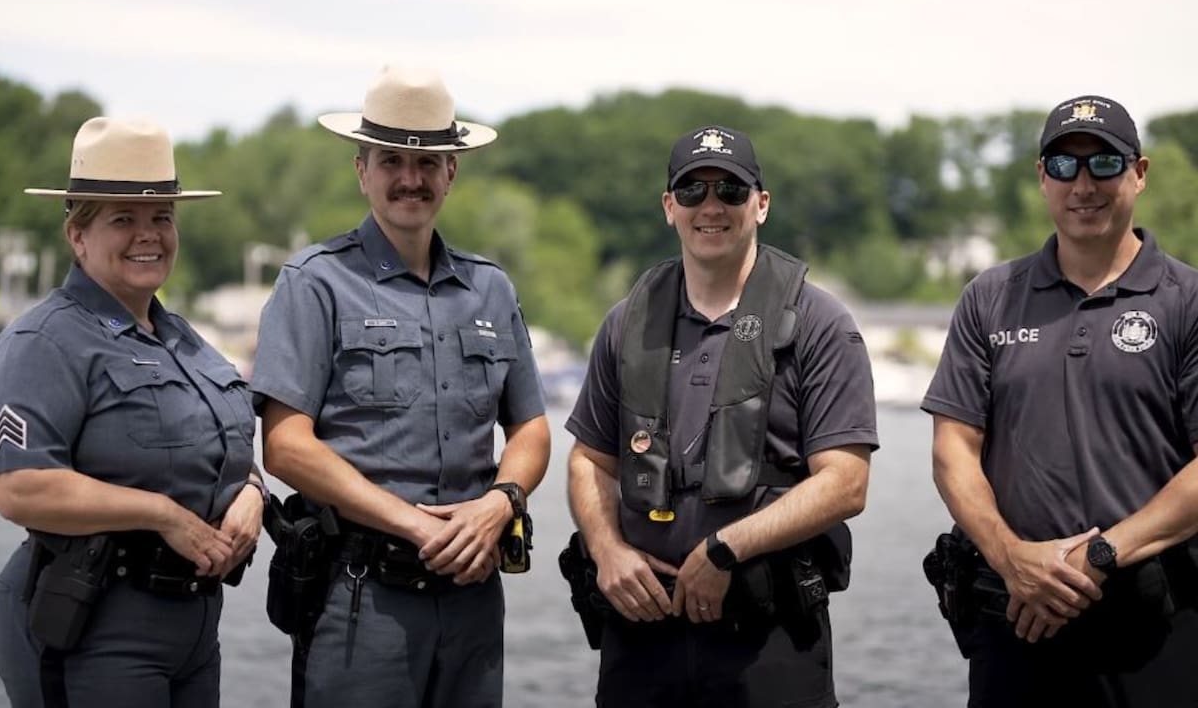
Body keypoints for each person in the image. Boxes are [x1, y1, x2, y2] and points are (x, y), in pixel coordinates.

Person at [251, 64, 550, 708]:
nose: (410, 179)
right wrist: (418, 528)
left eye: (428, 163)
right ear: (362, 169)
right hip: (361, 602)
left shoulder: (491, 289)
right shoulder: (315, 283)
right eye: (391, 161)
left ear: (452, 172)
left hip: (473, 602)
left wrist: (500, 502)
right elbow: (285, 447)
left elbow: (531, 427)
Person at [564, 125, 877, 707]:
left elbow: (846, 484)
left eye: (731, 191)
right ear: (668, 208)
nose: (711, 207)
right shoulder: (625, 323)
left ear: (761, 204)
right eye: (692, 192)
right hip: (642, 630)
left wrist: (724, 550)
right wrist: (607, 551)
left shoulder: (819, 323)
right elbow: (590, 460)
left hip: (768, 635)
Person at [923, 95, 1198, 706]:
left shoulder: (1187, 301)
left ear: (1140, 173)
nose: (1084, 184)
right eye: (1064, 164)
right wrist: (1010, 556)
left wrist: (1098, 556)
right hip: (1015, 618)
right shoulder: (989, 296)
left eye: (1104, 163)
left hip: (1155, 628)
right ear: (1041, 176)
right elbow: (953, 451)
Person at [0, 117, 264, 707]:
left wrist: (253, 489)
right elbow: (20, 489)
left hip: (192, 623)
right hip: (93, 618)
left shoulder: (183, 339)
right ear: (77, 234)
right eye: (124, 219)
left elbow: (222, 446)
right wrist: (161, 514)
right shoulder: (46, 341)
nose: (149, 234)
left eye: (161, 217)